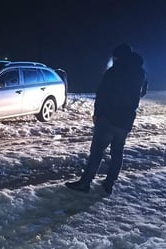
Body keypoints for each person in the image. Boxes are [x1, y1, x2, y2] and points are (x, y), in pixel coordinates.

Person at [65, 43, 148, 194]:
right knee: (117, 152)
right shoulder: (140, 72)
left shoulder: (113, 71)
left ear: (118, 57)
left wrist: (97, 113)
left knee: (97, 151)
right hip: (126, 119)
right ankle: (109, 183)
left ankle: (85, 183)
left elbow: (102, 93)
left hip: (108, 118)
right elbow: (142, 92)